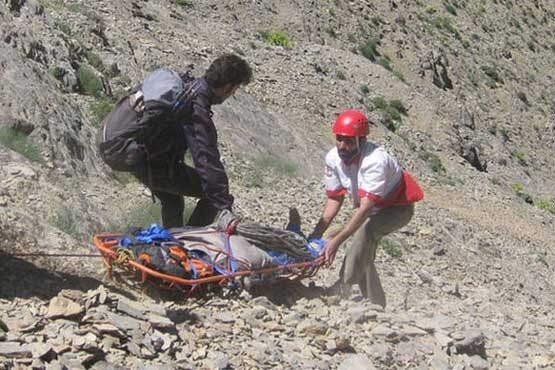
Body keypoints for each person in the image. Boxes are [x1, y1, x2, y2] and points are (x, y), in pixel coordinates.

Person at [100, 54, 252, 228]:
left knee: (172, 199)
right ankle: (190, 241)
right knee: (211, 195)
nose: (232, 94)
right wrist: (224, 204)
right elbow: (205, 159)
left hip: (123, 146)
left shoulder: (185, 85)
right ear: (227, 87)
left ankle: (172, 246)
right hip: (140, 157)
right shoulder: (195, 107)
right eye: (235, 89)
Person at [309, 109, 423, 308]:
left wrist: (336, 242)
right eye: (339, 139)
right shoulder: (333, 158)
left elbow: (365, 209)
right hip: (370, 207)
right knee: (363, 250)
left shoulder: (375, 161)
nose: (342, 146)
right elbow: (335, 198)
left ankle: (343, 287)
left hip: (397, 208)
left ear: (362, 141)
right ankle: (376, 303)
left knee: (364, 232)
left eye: (349, 141)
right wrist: (316, 233)